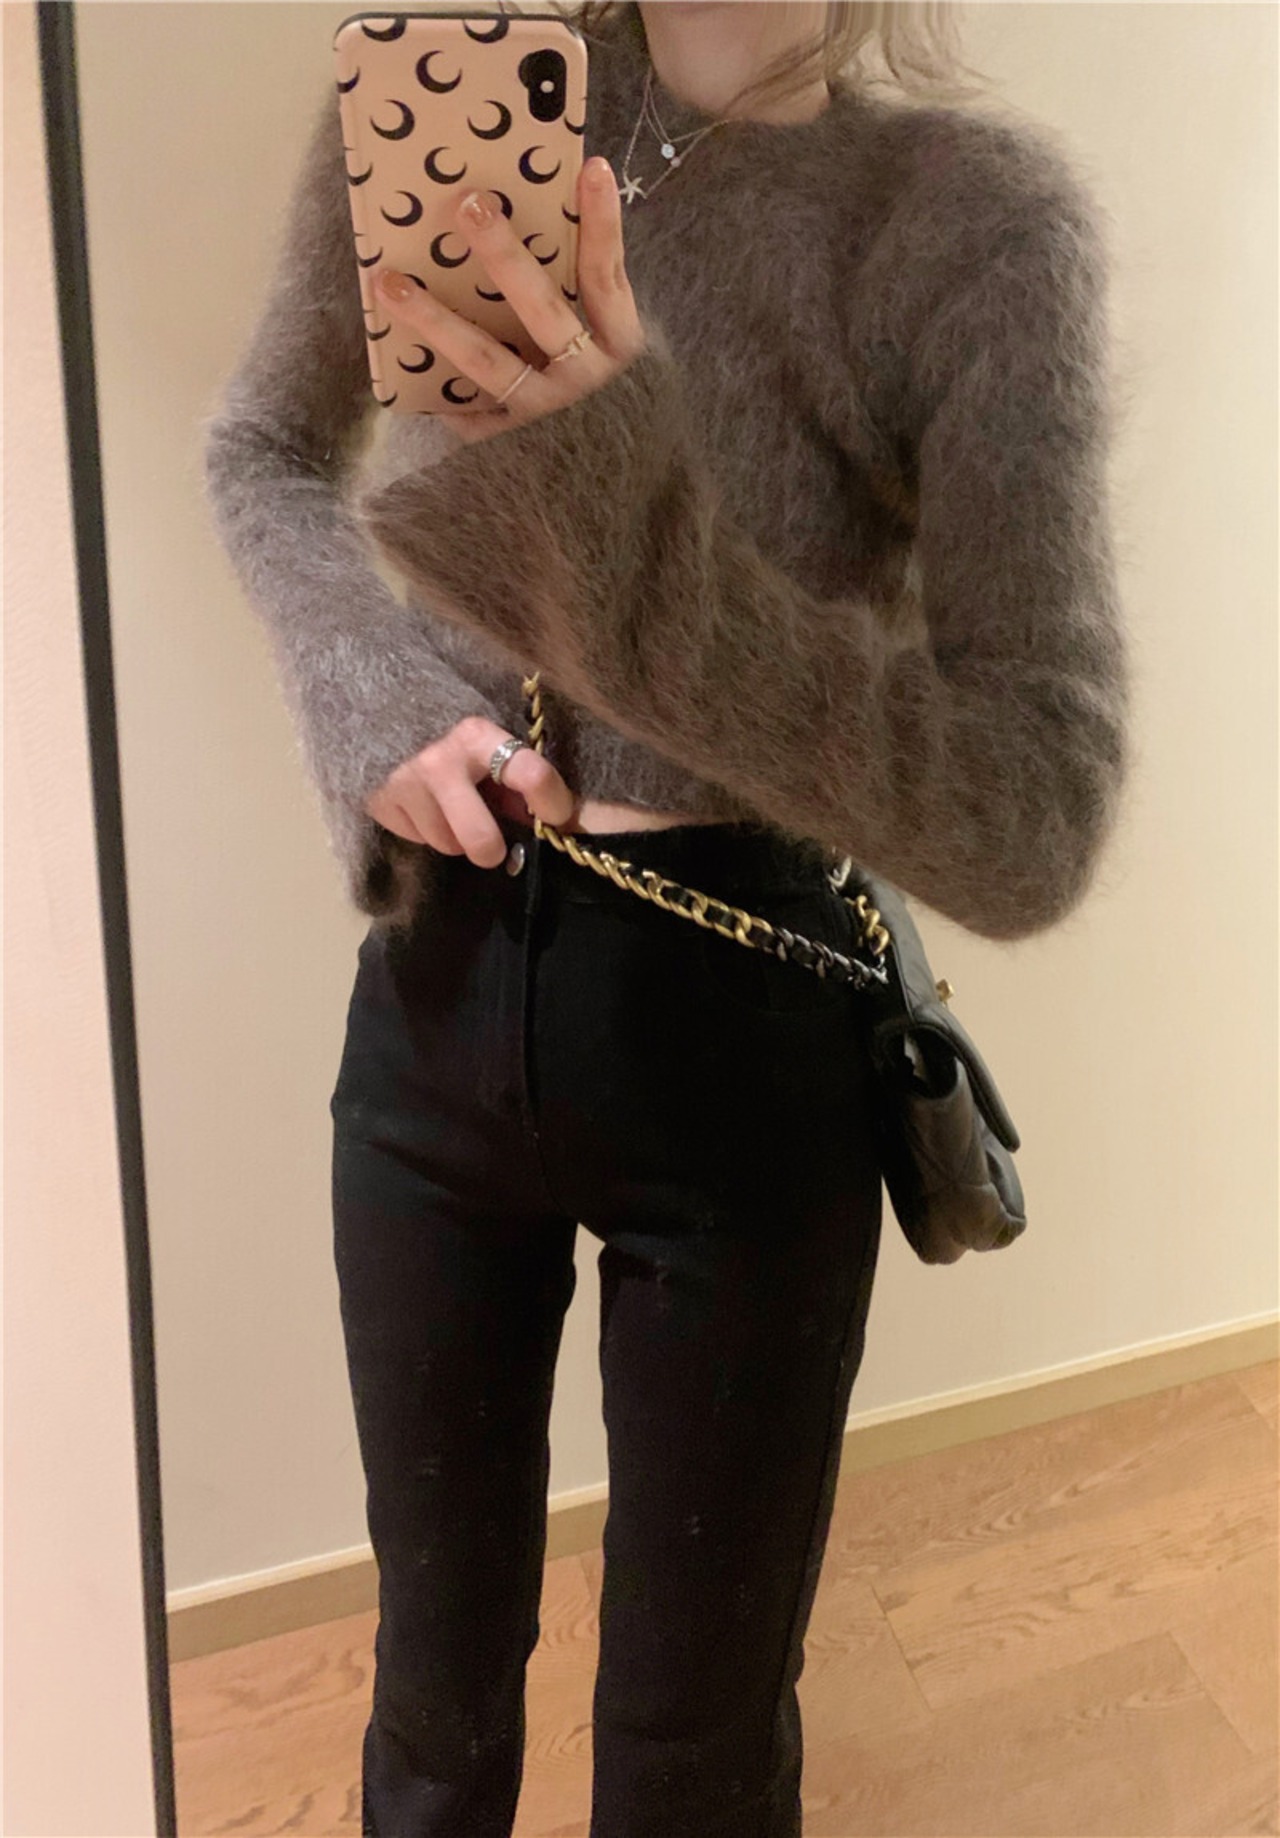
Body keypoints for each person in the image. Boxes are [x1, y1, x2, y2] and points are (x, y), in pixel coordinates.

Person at [201, 3, 1131, 1833]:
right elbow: (265, 450)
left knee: (690, 1749)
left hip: (744, 1041)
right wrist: (370, 701)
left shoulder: (967, 218)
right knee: (430, 1701)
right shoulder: (465, 101)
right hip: (436, 992)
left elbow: (1032, 810)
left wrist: (632, 515)